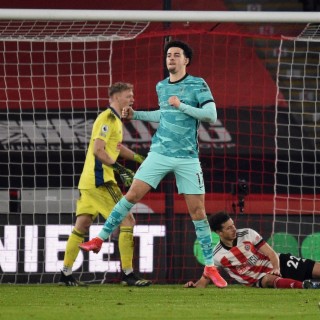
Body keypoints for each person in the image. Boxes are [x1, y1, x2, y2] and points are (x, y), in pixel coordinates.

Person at [79, 40, 227, 288]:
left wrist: (182, 105)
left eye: (176, 54)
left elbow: (211, 116)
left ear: (185, 60)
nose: (171, 58)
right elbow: (164, 114)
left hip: (187, 157)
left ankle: (210, 267)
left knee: (198, 212)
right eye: (168, 54)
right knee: (131, 195)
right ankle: (99, 239)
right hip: (159, 152)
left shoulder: (198, 84)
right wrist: (136, 115)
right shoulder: (161, 86)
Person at [59, 82, 151, 287]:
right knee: (127, 219)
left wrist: (139, 158)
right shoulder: (107, 118)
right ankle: (128, 274)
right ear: (117, 98)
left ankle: (65, 274)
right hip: (101, 181)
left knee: (82, 225)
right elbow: (98, 150)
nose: (132, 99)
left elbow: (117, 147)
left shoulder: (116, 121)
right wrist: (120, 169)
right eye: (129, 95)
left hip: (87, 182)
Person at [184, 211, 320, 289]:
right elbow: (205, 280)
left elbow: (271, 253)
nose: (234, 229)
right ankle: (306, 287)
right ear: (219, 232)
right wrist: (193, 286)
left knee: (317, 270)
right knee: (268, 280)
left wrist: (277, 267)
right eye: (229, 228)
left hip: (277, 263)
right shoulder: (217, 256)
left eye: (233, 225)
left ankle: (307, 283)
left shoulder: (248, 234)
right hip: (259, 279)